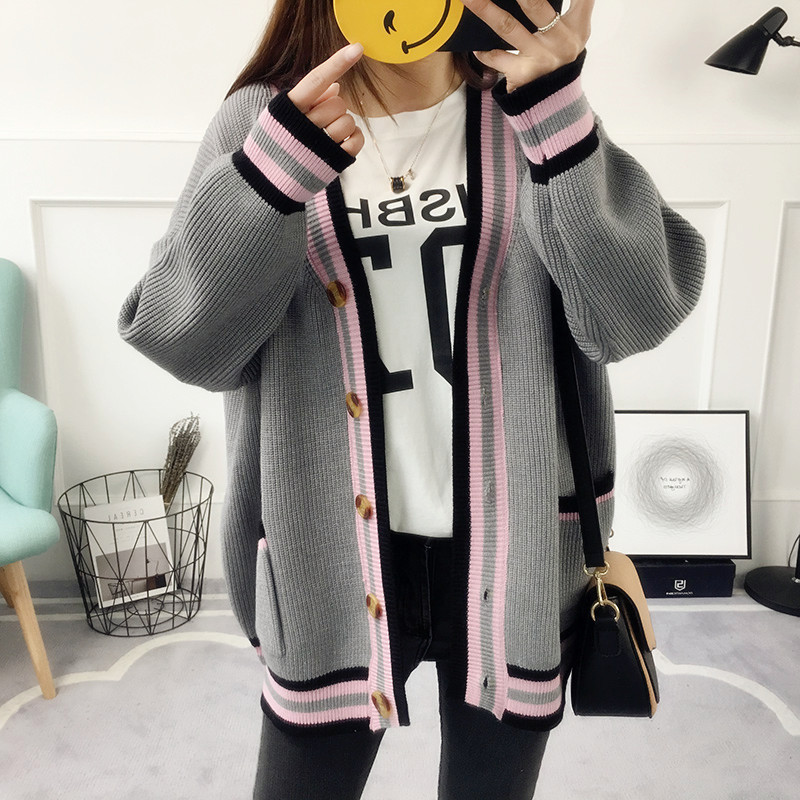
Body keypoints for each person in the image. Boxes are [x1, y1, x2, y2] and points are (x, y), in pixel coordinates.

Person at [118, 0, 706, 797]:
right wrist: (270, 180)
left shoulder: (527, 103)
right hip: (329, 549)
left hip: (520, 548)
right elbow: (182, 339)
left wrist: (559, 114)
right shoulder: (267, 117)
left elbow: (635, 314)